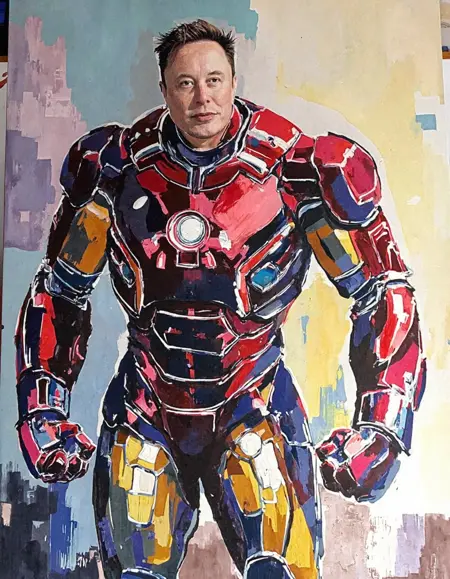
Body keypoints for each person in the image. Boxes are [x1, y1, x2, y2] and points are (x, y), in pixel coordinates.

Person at [14, 19, 426, 579]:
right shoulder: (115, 172)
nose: (201, 98)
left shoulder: (296, 173)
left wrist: (383, 422)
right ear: (165, 89)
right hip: (146, 406)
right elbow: (60, 291)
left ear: (232, 81)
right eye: (185, 83)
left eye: (213, 80)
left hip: (253, 402)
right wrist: (43, 406)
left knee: (281, 569)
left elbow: (381, 292)